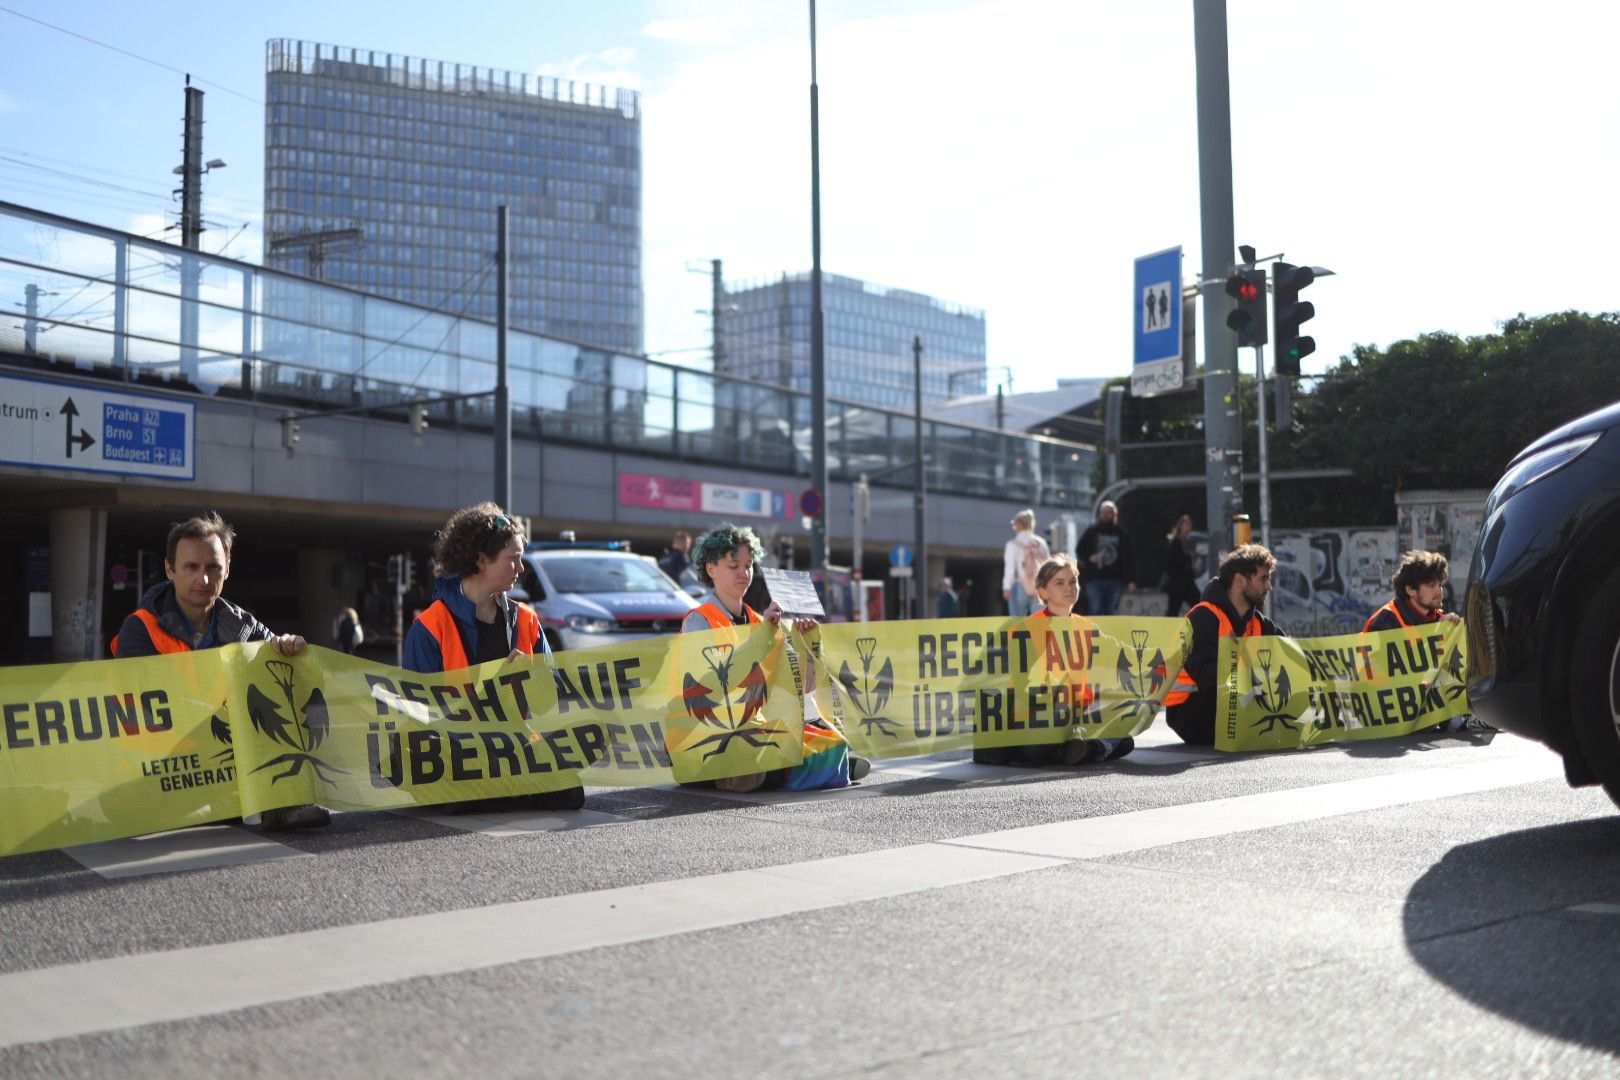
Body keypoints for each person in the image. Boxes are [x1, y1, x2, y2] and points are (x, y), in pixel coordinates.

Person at [114, 512, 329, 831]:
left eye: (213, 567)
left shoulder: (244, 625)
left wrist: (289, 649)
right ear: (170, 569)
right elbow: (146, 712)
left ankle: (280, 801)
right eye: (191, 567)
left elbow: (289, 679)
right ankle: (259, 798)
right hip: (159, 770)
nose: (203, 579)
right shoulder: (140, 628)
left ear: (227, 569)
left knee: (279, 682)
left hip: (221, 763)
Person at [403, 502, 585, 813]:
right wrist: (491, 683)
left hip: (510, 747)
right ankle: (503, 791)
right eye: (513, 559)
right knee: (418, 765)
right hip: (453, 748)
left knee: (572, 790)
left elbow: (545, 702)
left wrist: (534, 675)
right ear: (481, 559)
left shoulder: (527, 621)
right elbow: (417, 709)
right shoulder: (430, 627)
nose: (521, 568)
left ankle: (492, 792)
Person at [681, 523, 870, 792]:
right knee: (772, 750)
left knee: (827, 739)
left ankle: (796, 766)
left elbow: (799, 688)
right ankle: (801, 768)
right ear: (711, 569)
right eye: (734, 566)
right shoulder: (699, 620)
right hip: (708, 732)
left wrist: (808, 646)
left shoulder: (760, 621)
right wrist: (763, 637)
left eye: (748, 565)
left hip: (755, 726)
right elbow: (710, 684)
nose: (744, 573)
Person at [974, 554, 1133, 767]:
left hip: (1078, 713)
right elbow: (1026, 687)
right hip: (1038, 717)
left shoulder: (1085, 626)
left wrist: (1157, 656)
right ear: (1043, 592)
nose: (1069, 588)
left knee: (1126, 738)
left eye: (1073, 581)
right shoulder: (1025, 629)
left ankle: (1077, 748)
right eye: (1060, 583)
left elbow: (1119, 652)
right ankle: (1079, 747)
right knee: (1043, 739)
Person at [1165, 543, 1285, 746]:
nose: (1269, 586)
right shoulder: (1204, 617)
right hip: (1188, 711)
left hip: (1222, 706)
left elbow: (1291, 653)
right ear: (1240, 580)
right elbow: (1204, 675)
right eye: (1263, 578)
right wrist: (1242, 662)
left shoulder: (1257, 622)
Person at [1365, 551, 1494, 736]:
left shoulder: (1439, 618)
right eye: (1431, 585)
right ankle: (1456, 720)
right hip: (1382, 709)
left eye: (1440, 584)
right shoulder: (1387, 620)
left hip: (1417, 708)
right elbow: (1391, 673)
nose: (1439, 591)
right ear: (1410, 590)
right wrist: (1435, 638)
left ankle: (1468, 714)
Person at [1077, 500, 1137, 616]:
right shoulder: (1091, 531)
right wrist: (1089, 558)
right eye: (1103, 512)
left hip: (1115, 580)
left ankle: (1109, 634)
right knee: (1095, 609)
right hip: (1094, 579)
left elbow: (1130, 558)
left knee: (1111, 611)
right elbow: (1079, 550)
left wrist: (1132, 580)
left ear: (1114, 515)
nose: (1105, 515)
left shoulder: (1121, 533)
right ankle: (1094, 634)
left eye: (1108, 512)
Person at [1002, 509, 1050, 617]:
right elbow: (1048, 566)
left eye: (1014, 524)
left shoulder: (1013, 544)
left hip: (1019, 585)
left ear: (1019, 524)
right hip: (1039, 586)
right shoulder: (1041, 543)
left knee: (1017, 623)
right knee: (1040, 622)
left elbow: (1010, 568)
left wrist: (1006, 587)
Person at [1162, 514, 1202, 617]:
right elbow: (1173, 562)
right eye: (1187, 524)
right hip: (1178, 582)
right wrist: (1189, 557)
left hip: (1185, 582)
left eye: (1190, 525)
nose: (1189, 527)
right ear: (1181, 526)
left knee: (1198, 604)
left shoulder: (1186, 542)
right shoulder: (1176, 542)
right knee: (1173, 610)